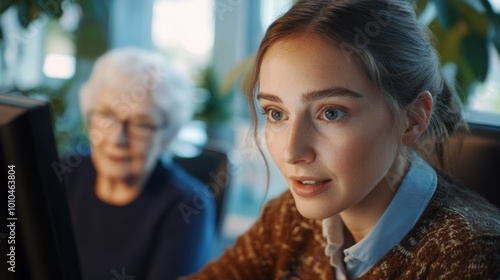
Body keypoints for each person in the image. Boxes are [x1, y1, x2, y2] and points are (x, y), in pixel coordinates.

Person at [183, 0, 500, 279]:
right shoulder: (290, 219)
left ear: (413, 119)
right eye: (276, 114)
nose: (293, 152)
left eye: (331, 113)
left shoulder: (469, 255)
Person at [63, 47, 216, 280]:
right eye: (106, 115)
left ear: (167, 136)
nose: (117, 139)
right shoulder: (65, 172)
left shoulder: (187, 206)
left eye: (141, 124)